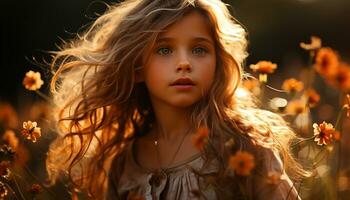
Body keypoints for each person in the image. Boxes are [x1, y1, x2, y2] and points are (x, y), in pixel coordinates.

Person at [46, 0, 309, 199]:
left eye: (199, 49)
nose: (184, 63)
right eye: (164, 49)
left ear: (218, 63)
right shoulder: (123, 164)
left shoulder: (244, 146)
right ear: (137, 68)